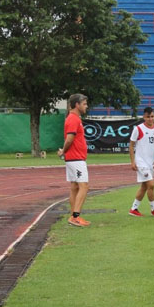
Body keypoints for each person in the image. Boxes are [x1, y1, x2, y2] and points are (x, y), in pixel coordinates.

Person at [58, 93, 90, 227]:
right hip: (76, 158)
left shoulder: (74, 118)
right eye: (84, 104)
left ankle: (73, 216)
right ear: (77, 105)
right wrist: (63, 151)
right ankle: (75, 216)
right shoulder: (73, 119)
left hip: (74, 158)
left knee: (74, 187)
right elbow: (69, 139)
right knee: (84, 186)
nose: (86, 106)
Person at [128, 107, 154, 217]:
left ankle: (133, 208)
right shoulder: (138, 129)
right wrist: (133, 161)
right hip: (141, 162)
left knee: (144, 186)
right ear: (144, 117)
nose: (150, 119)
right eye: (148, 117)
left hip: (151, 163)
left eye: (152, 116)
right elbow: (131, 145)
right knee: (151, 185)